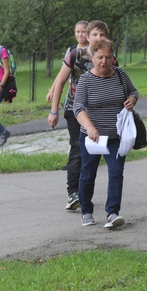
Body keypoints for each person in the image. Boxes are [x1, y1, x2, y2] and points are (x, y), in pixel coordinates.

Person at [74, 38, 138, 229]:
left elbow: (134, 91)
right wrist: (90, 127)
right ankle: (86, 211)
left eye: (108, 57)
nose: (104, 61)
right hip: (92, 136)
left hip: (115, 136)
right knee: (88, 174)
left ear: (113, 58)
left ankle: (112, 213)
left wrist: (132, 99)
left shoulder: (120, 74)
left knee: (116, 172)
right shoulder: (85, 79)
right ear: (92, 58)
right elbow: (78, 107)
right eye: (100, 57)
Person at [47, 20, 108, 211]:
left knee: (92, 152)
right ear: (88, 37)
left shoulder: (108, 56)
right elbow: (61, 82)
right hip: (75, 108)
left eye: (101, 35)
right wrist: (54, 111)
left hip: (98, 111)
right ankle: (73, 193)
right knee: (77, 148)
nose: (98, 38)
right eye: (94, 35)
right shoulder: (76, 55)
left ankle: (85, 192)